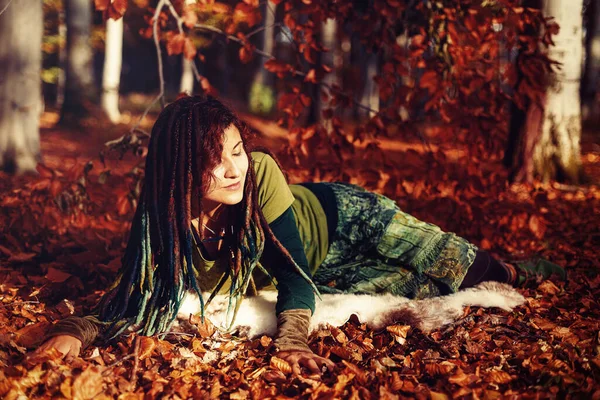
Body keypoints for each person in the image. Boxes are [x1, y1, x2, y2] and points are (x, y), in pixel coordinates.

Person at [34, 96, 565, 373]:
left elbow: (292, 274)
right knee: (422, 291)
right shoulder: (162, 220)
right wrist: (75, 333)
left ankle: (522, 268)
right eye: (214, 162)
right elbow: (133, 294)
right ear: (178, 172)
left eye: (237, 150)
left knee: (468, 267)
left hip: (345, 216)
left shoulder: (259, 175)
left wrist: (292, 342)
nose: (233, 169)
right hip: (327, 266)